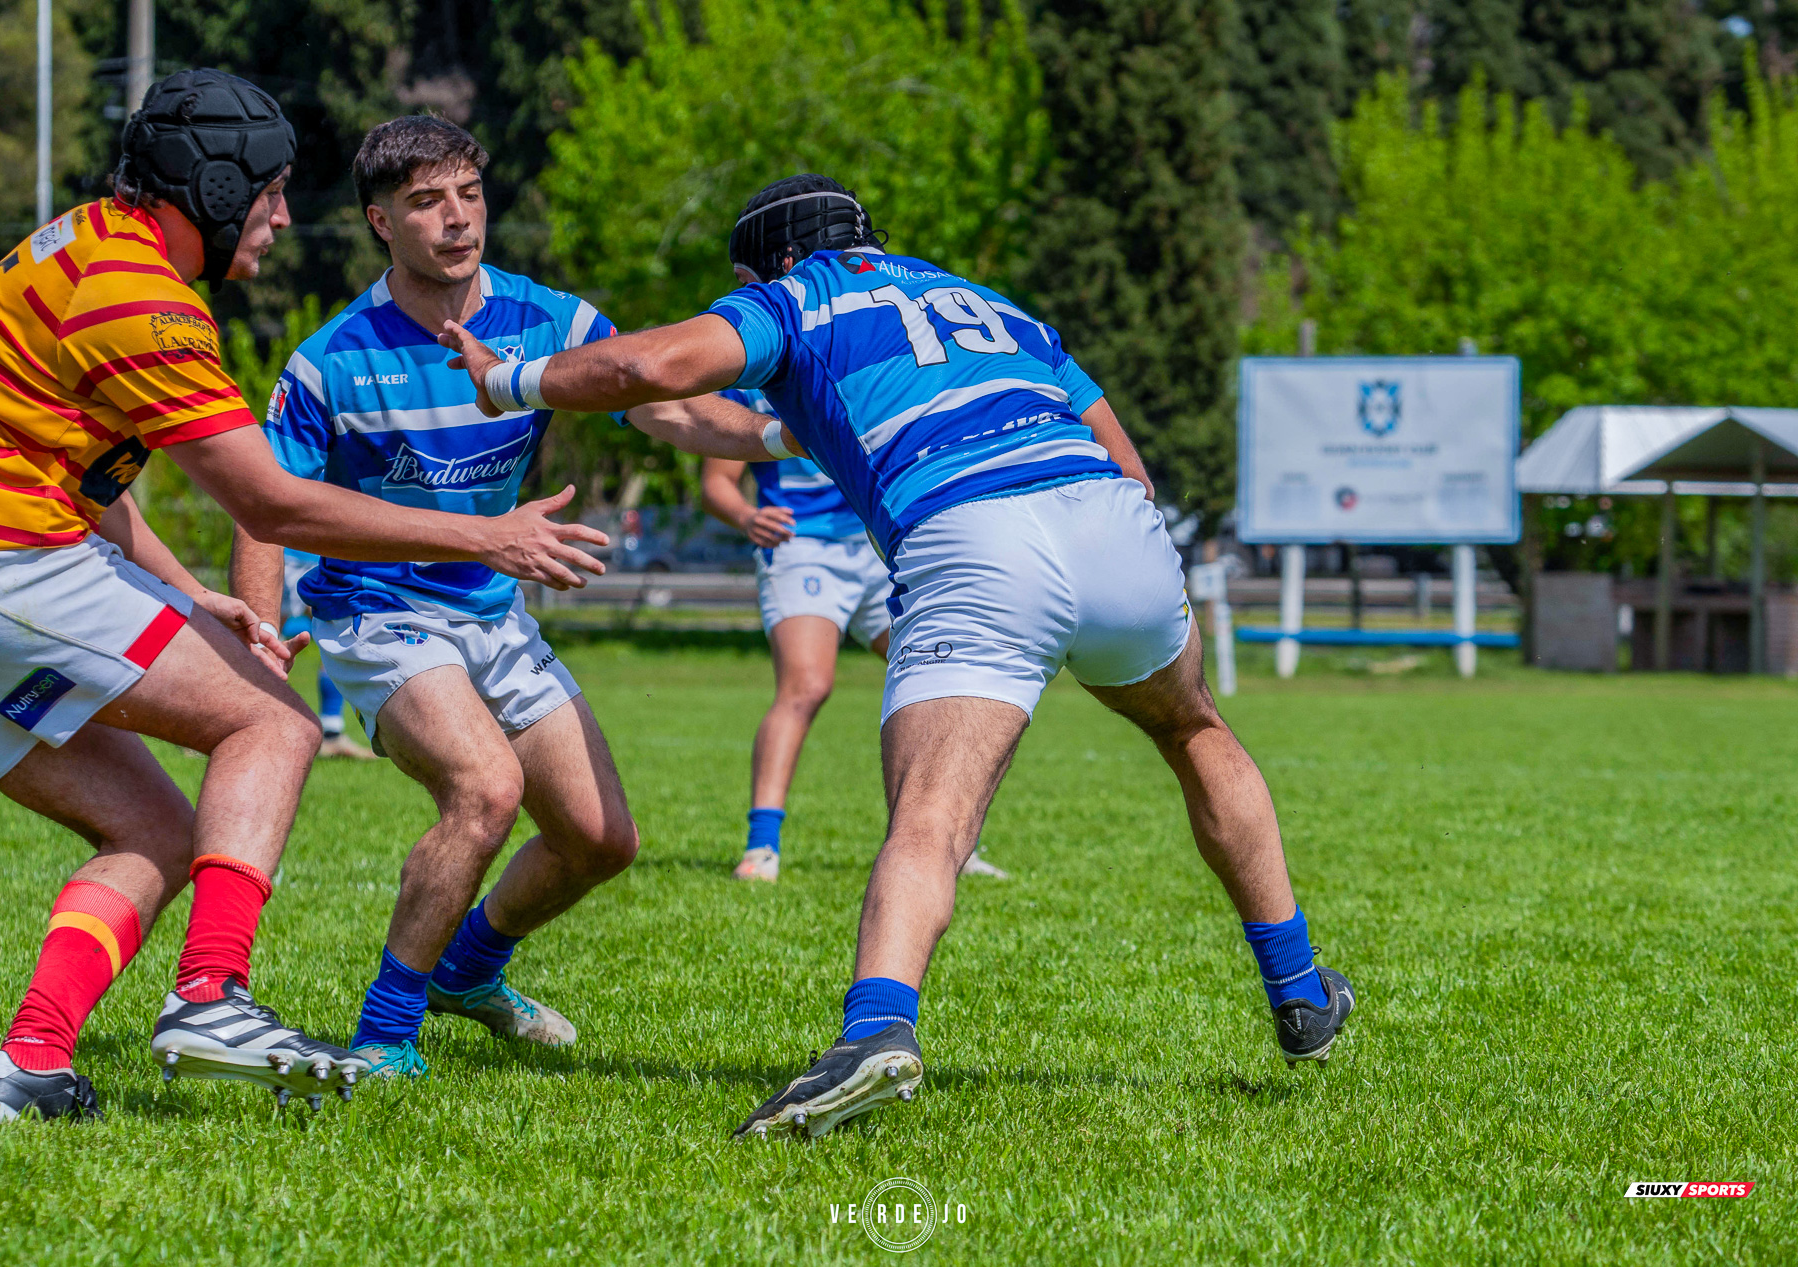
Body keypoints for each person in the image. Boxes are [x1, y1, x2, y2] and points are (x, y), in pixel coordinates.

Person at [440, 174, 1356, 1140]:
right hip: (1113, 520)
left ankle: (876, 1028)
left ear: (770, 264)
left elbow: (658, 364)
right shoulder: (988, 304)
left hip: (974, 539)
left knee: (930, 812)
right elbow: (1126, 460)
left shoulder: (793, 298)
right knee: (1194, 727)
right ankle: (1299, 991)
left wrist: (511, 381)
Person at [0, 71, 605, 1121]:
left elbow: (86, 479)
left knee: (152, 826)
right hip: (16, 563)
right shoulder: (146, 300)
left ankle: (30, 1061)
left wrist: (190, 598)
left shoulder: (83, 242)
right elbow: (275, 506)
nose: (282, 218)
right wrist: (489, 534)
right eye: (271, 192)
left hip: (33, 553)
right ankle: (210, 995)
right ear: (216, 183)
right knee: (272, 720)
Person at [231, 116, 640, 1081]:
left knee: (599, 840)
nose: (456, 220)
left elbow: (660, 399)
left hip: (493, 612)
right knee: (486, 788)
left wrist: (782, 429)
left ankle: (467, 971)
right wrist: (260, 627)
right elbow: (261, 510)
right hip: (375, 612)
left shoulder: (552, 323)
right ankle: (383, 1035)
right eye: (426, 202)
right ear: (380, 221)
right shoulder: (330, 358)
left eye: (468, 194)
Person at [700, 392, 1009, 883]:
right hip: (798, 545)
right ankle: (761, 850)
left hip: (875, 544)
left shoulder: (859, 357)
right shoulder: (754, 370)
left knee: (941, 677)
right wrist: (747, 517)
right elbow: (717, 483)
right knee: (807, 685)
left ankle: (949, 843)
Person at [281, 549, 375, 759]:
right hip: (291, 555)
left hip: (328, 558)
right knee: (262, 639)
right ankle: (225, 727)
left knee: (337, 635)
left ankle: (332, 733)